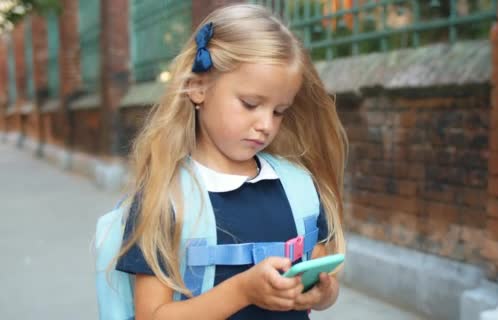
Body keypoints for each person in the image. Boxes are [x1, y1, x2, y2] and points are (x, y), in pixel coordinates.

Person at [111, 3, 348, 320]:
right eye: (250, 104)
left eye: (279, 111)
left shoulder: (300, 188)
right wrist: (243, 291)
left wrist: (324, 292)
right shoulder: (166, 198)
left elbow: (322, 286)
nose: (266, 123)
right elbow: (151, 314)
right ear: (198, 88)